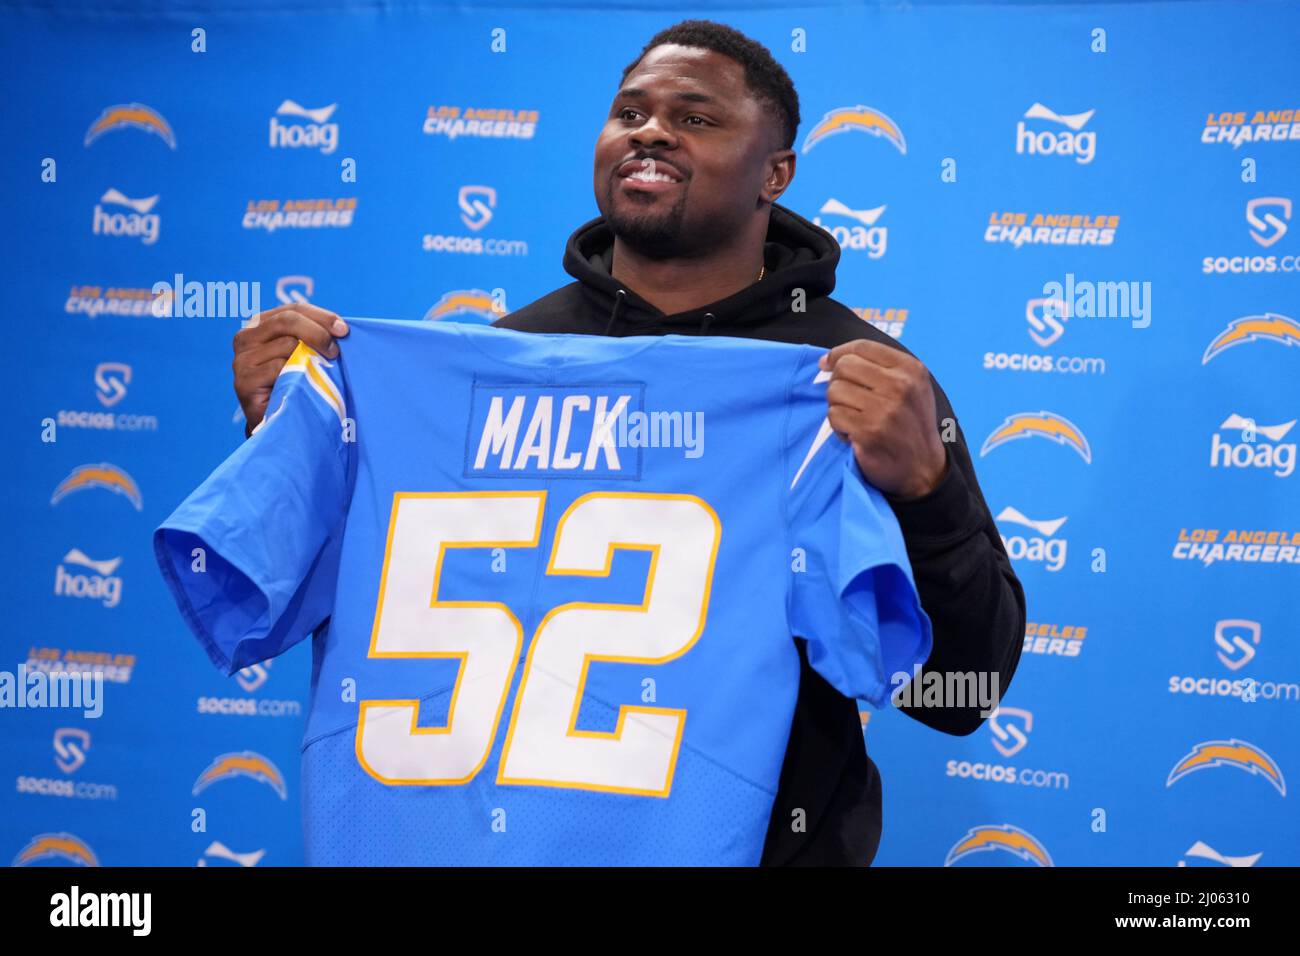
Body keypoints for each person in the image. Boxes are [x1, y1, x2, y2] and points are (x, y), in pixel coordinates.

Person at [230, 19, 1026, 866]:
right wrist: (294, 435)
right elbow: (293, 606)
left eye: (696, 118)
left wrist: (926, 494)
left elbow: (958, 697)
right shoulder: (495, 364)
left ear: (777, 173)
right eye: (630, 113)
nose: (651, 131)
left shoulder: (846, 381)